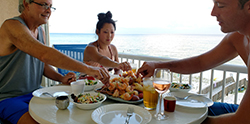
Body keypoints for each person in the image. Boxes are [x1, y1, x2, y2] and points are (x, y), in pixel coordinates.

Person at [137, 0, 250, 123]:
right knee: (185, 110)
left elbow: (243, 119)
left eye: (220, 5)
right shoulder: (238, 37)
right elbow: (200, 62)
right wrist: (158, 66)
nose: (213, 12)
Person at [0, 0, 110, 124]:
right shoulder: (11, 26)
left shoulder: (40, 31)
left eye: (51, 6)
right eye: (43, 5)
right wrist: (87, 69)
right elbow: (44, 54)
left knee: (71, 114)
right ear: (26, 4)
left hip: (37, 93)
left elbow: (43, 65)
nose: (48, 10)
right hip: (8, 98)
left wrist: (61, 78)